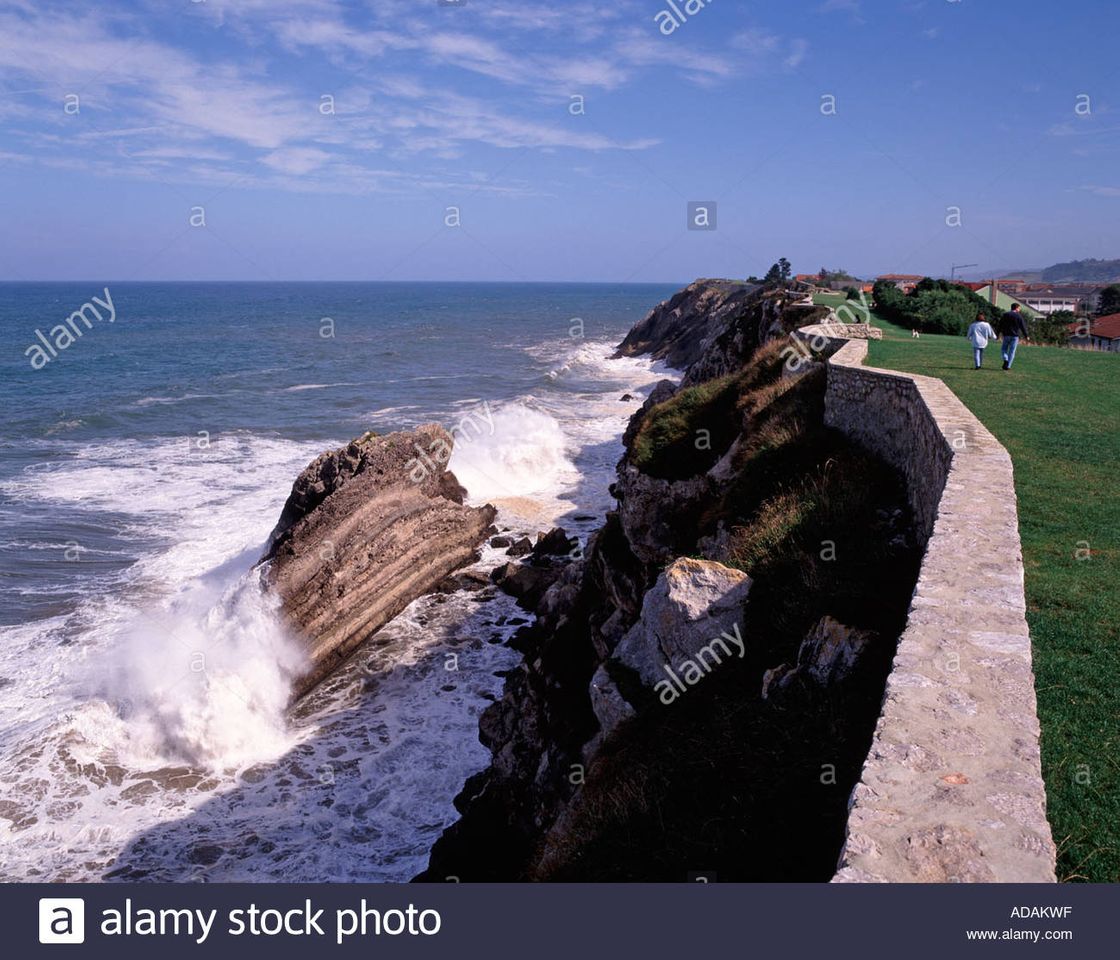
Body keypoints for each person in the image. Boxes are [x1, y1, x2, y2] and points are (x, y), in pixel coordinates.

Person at [998, 303, 1030, 370]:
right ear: (1016, 308)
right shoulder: (1019, 316)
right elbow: (1022, 326)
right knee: (1012, 351)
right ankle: (1008, 366)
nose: (1019, 309)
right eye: (1019, 308)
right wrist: (1026, 335)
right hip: (1015, 336)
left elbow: (1000, 325)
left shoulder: (1005, 315)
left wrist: (997, 333)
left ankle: (1005, 359)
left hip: (1006, 335)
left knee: (1004, 349)